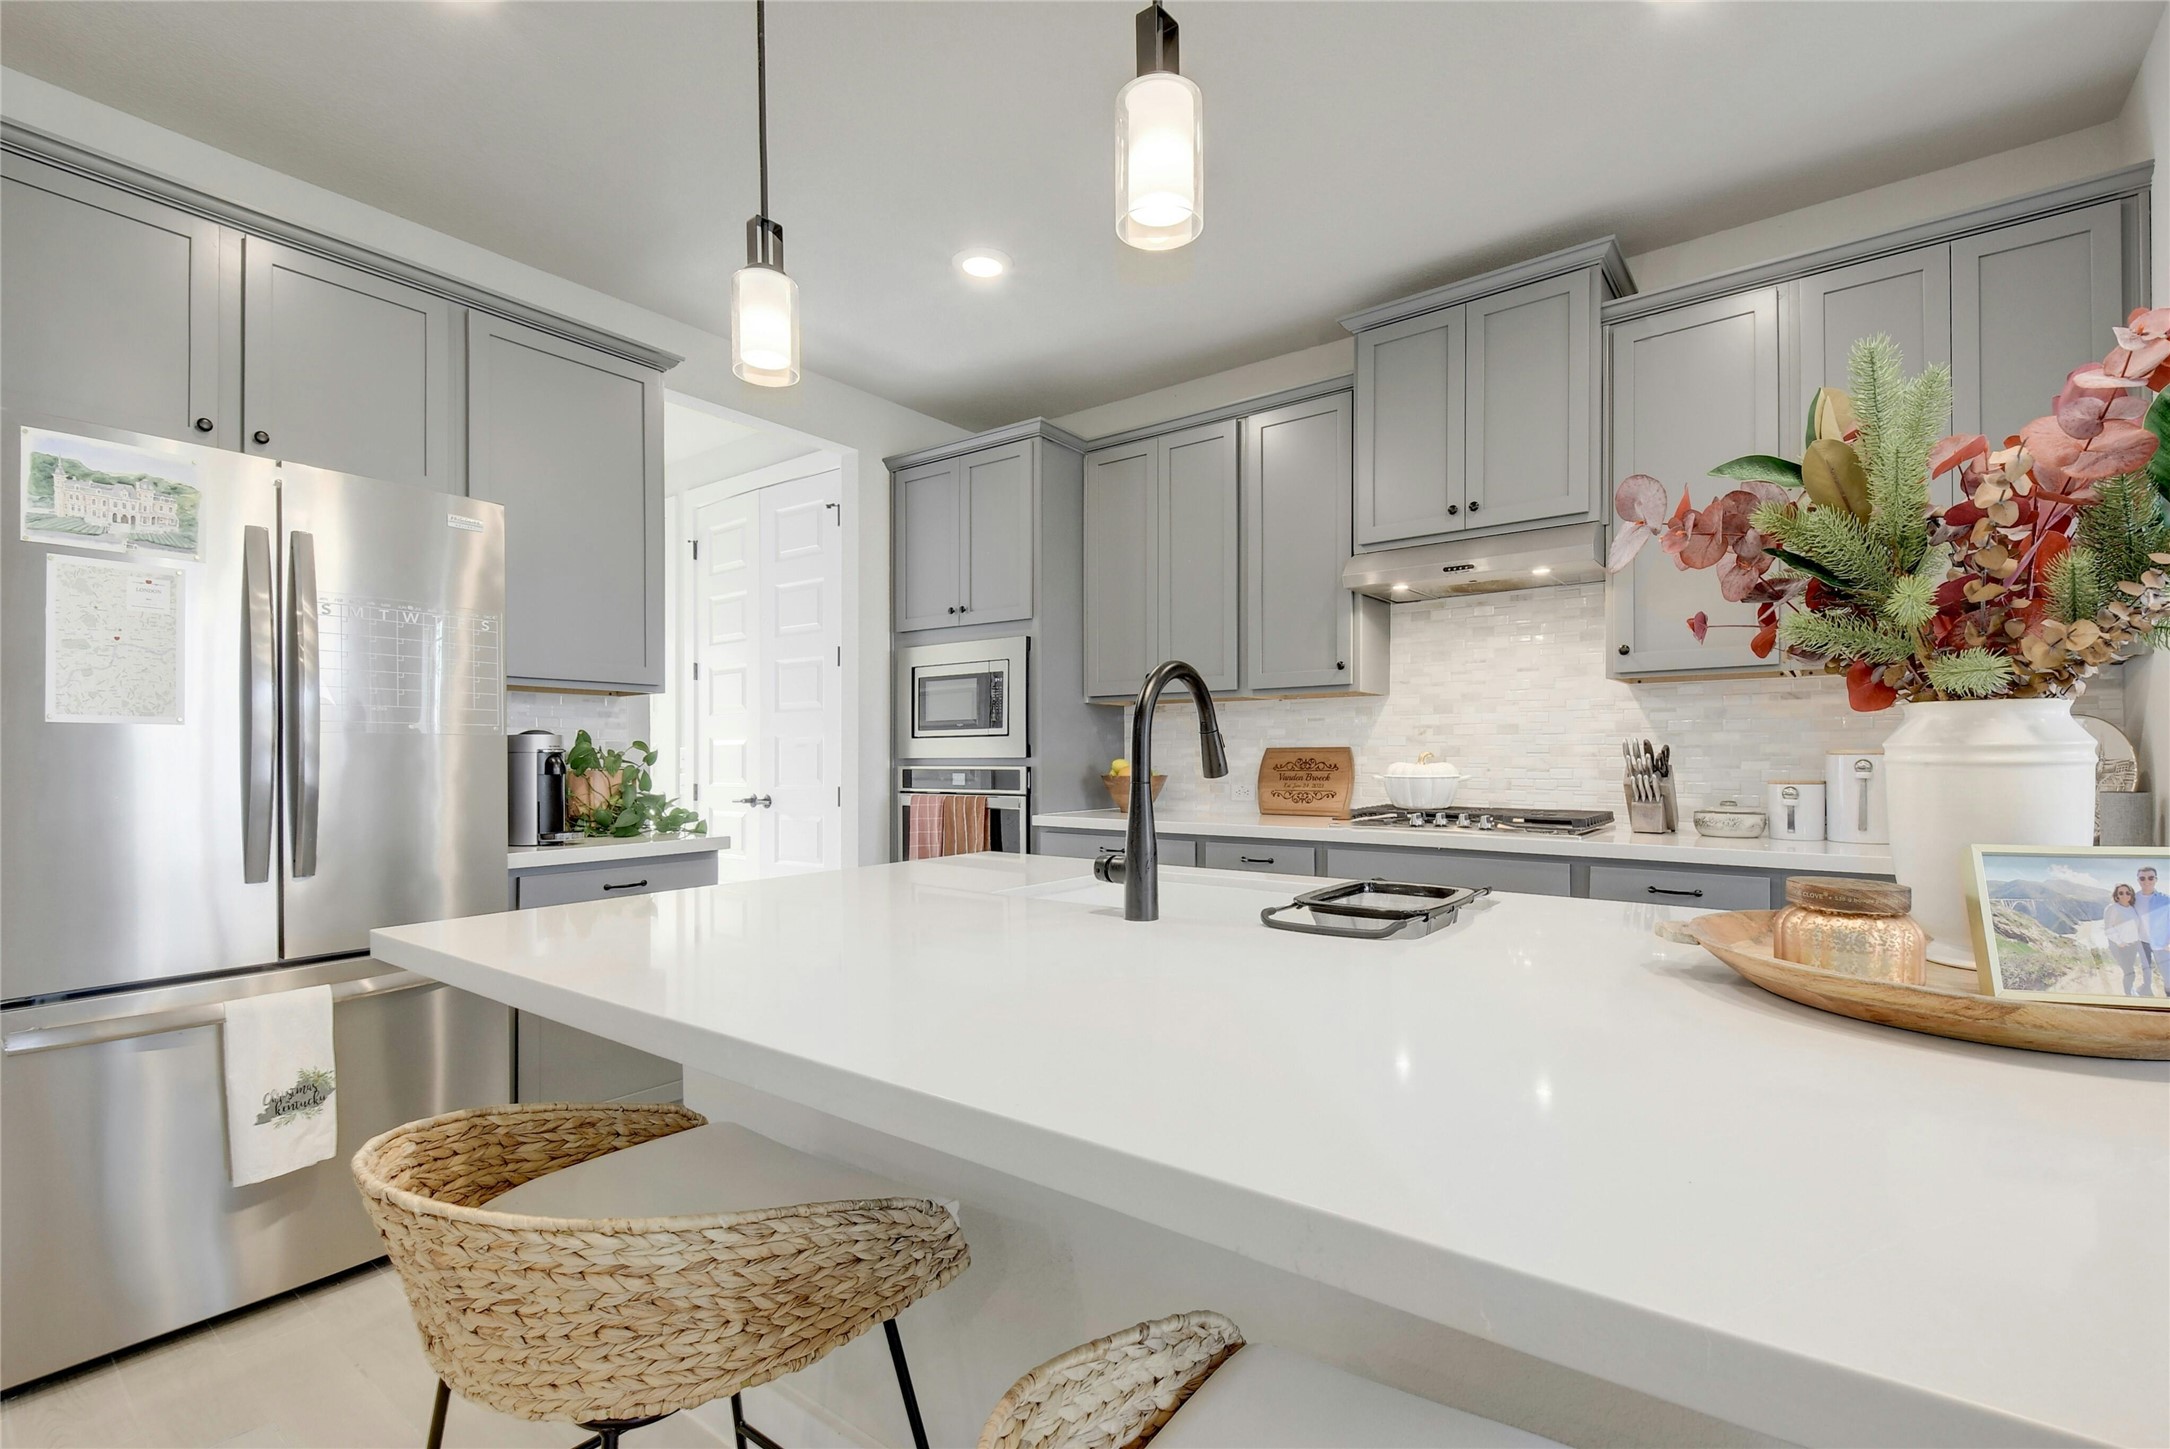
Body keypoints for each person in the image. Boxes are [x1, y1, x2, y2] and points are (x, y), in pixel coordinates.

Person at [2103, 883, 2151, 997]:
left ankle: (2129, 991)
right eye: (2121, 893)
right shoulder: (2112, 908)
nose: (2125, 895)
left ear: (2131, 895)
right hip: (2119, 947)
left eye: (2127, 893)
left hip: (2132, 945)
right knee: (2130, 972)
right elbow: (2108, 928)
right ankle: (2128, 994)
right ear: (2116, 895)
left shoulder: (2132, 908)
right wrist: (2120, 942)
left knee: (2129, 971)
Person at [2132, 866, 2170, 996]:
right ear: (2138, 880)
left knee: (2167, 973)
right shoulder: (2133, 899)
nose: (2146, 881)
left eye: (2150, 877)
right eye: (2142, 878)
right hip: (2142, 942)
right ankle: (2147, 992)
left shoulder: (2165, 900)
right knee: (2145, 970)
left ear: (2156, 879)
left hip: (2161, 944)